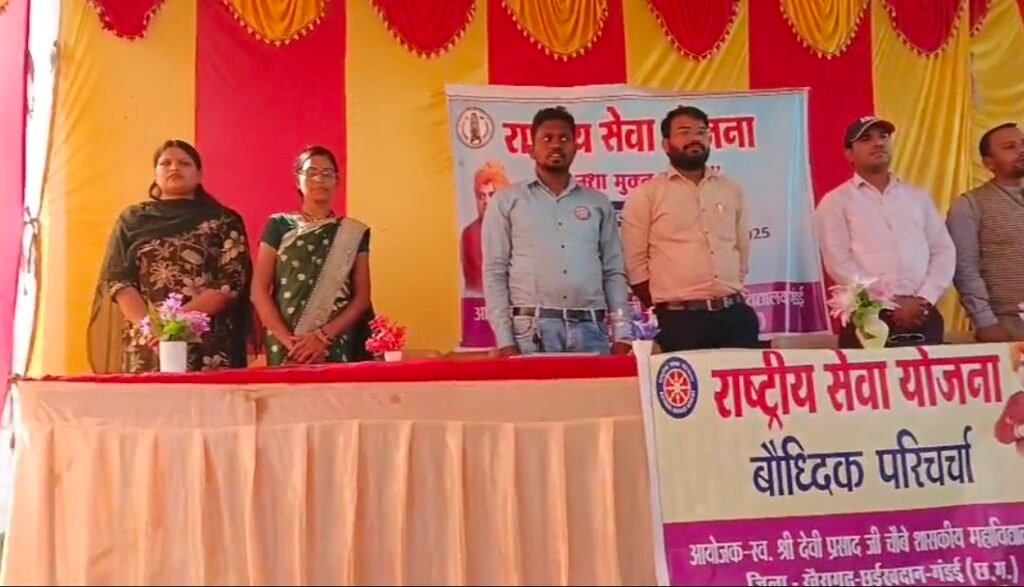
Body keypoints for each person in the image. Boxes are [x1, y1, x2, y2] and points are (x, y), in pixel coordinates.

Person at [87, 140, 252, 373]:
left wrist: (174, 324)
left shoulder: (223, 220)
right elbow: (118, 280)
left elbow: (231, 281)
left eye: (184, 163)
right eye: (166, 163)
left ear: (199, 175)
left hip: (207, 342)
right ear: (155, 174)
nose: (174, 168)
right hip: (149, 342)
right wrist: (152, 328)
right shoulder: (132, 220)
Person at [482, 106, 632, 356]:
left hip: (591, 328)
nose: (556, 145)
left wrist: (622, 332)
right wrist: (505, 341)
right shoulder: (507, 201)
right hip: (530, 331)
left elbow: (613, 270)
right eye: (547, 138)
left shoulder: (597, 203)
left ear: (575, 147)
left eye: (564, 139)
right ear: (531, 149)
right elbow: (494, 272)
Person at [620, 105, 759, 352]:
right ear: (666, 144)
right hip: (679, 322)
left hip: (734, 317)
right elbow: (635, 264)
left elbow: (741, 249)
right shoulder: (647, 194)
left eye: (701, 132)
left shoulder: (731, 189)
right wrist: (668, 306)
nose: (695, 138)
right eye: (684, 132)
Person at [815, 117, 955, 348]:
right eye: (866, 139)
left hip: (922, 312)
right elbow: (839, 263)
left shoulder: (917, 198)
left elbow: (943, 251)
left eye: (884, 136)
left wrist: (925, 299)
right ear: (849, 154)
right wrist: (888, 302)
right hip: (870, 317)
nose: (878, 143)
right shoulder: (836, 202)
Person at [250, 146, 373, 366]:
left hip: (335, 340)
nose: (319, 179)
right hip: (285, 343)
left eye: (327, 173)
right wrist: (292, 344)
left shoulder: (353, 232)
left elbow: (361, 298)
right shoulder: (279, 225)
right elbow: (258, 291)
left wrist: (323, 337)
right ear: (298, 181)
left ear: (337, 181)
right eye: (311, 172)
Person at [947, 122, 1024, 342]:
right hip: (1009, 322)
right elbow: (965, 269)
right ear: (989, 163)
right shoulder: (970, 205)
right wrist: (985, 322)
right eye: (1010, 147)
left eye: (1023, 143)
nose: (1021, 150)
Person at [461, 161, 510, 294]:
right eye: (481, 196)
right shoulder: (470, 234)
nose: (486, 201)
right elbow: (475, 286)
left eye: (492, 194)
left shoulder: (519, 229)